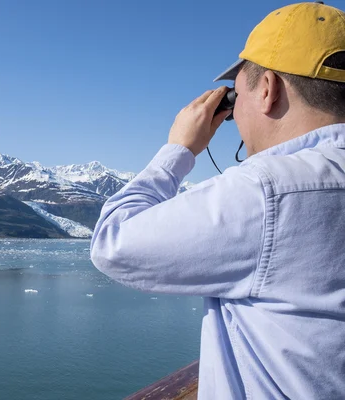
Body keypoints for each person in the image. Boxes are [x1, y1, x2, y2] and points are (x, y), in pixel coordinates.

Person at [90, 2, 345, 399]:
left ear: (268, 89)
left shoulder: (268, 191)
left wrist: (179, 149)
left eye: (235, 96)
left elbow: (113, 243)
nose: (233, 117)